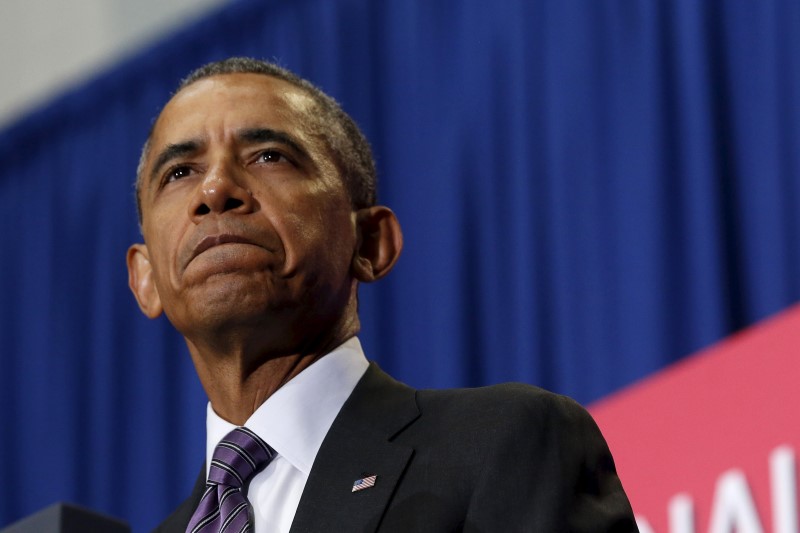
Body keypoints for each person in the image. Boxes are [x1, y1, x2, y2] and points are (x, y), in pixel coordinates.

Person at [127, 57, 637, 532]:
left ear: (370, 242)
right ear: (145, 278)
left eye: (268, 155)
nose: (216, 189)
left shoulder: (500, 444)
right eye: (179, 172)